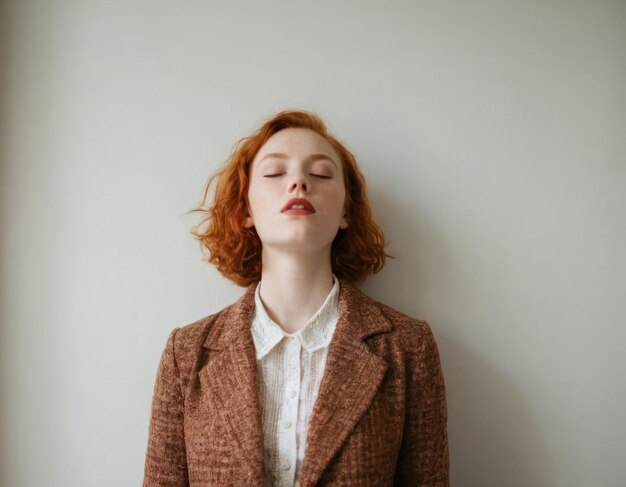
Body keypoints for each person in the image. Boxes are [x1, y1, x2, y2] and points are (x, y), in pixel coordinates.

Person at [142, 110, 449, 486]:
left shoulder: (407, 347)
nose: (299, 182)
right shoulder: (186, 354)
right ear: (247, 210)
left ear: (346, 212)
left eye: (320, 174)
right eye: (274, 173)